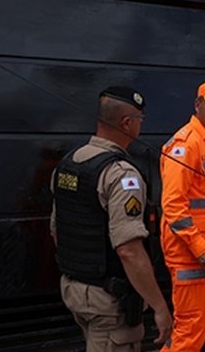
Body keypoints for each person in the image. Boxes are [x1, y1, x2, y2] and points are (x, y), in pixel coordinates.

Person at [51, 86, 172, 351]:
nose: (141, 125)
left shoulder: (69, 163)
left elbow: (57, 230)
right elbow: (128, 249)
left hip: (75, 289)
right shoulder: (120, 175)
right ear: (127, 123)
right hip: (109, 300)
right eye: (140, 119)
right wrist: (159, 307)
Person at [160, 81, 205, 351]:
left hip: (204, 252)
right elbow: (173, 205)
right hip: (190, 254)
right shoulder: (187, 144)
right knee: (191, 329)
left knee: (200, 325)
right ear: (197, 105)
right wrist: (201, 247)